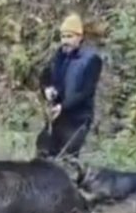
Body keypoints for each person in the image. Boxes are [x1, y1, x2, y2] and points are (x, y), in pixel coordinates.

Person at [36, 13, 103, 159]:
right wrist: (47, 89)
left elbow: (86, 91)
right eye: (63, 37)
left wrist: (63, 106)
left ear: (79, 38)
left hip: (78, 119)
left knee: (67, 158)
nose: (65, 41)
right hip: (58, 117)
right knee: (42, 150)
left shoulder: (91, 59)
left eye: (69, 37)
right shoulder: (59, 56)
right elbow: (44, 76)